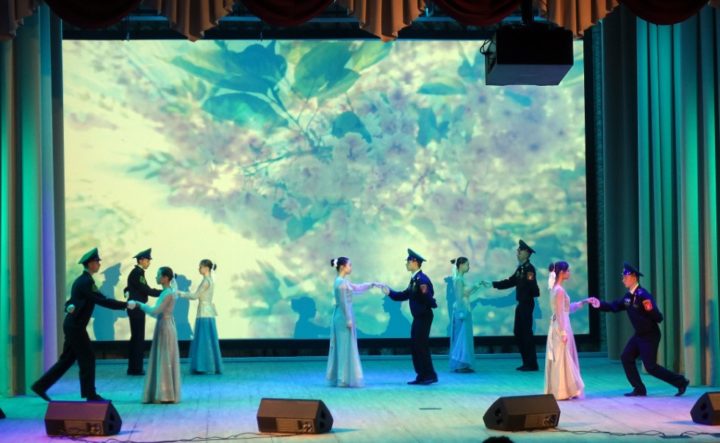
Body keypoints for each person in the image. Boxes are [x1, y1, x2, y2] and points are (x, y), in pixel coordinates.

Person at [31, 248, 135, 401]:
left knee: (67, 360)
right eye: (97, 262)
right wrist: (125, 305)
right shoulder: (86, 282)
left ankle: (40, 386)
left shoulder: (81, 280)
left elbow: (70, 302)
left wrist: (68, 307)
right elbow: (102, 300)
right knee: (87, 358)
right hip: (76, 327)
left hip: (73, 325)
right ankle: (90, 394)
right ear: (91, 264)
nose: (99, 264)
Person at [588, 263, 690, 397]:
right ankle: (639, 389)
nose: (623, 280)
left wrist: (655, 316)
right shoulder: (628, 297)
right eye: (623, 277)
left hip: (650, 335)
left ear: (634, 277)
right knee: (626, 357)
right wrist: (599, 304)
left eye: (625, 277)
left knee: (651, 367)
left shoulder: (643, 295)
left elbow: (655, 314)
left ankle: (681, 382)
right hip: (640, 335)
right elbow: (615, 306)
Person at [481, 240, 540, 371]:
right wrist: (492, 284)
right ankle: (526, 362)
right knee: (518, 332)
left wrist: (531, 293)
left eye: (520, 251)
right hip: (521, 304)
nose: (517, 252)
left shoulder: (529, 269)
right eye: (518, 250)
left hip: (526, 304)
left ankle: (531, 364)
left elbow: (533, 287)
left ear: (527, 253)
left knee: (526, 334)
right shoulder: (520, 268)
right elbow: (510, 282)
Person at [382, 249, 438, 385]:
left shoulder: (421, 279)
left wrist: (433, 304)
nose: (406, 264)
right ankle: (423, 374)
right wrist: (389, 292)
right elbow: (404, 295)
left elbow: (427, 296)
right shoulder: (414, 279)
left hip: (423, 316)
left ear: (415, 262)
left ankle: (428, 375)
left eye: (408, 261)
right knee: (416, 346)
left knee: (421, 346)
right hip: (419, 317)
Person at [326, 257, 379, 387]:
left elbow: (357, 288)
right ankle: (342, 378)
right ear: (342, 267)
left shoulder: (344, 281)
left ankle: (344, 377)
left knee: (346, 346)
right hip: (343, 317)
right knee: (344, 347)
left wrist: (371, 284)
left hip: (345, 315)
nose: (351, 267)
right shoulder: (340, 283)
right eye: (349, 265)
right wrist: (348, 319)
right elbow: (343, 303)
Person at [544, 261, 591, 400]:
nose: (569, 273)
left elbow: (566, 309)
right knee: (561, 358)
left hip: (559, 324)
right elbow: (560, 313)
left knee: (562, 357)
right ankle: (562, 391)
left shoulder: (555, 289)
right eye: (568, 271)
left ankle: (566, 390)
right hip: (561, 326)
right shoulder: (559, 290)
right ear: (561, 273)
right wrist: (563, 332)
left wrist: (583, 302)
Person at [136, 266, 181, 403]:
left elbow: (155, 311)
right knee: (164, 358)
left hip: (165, 327)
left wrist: (139, 304)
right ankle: (164, 393)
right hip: (165, 325)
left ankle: (165, 394)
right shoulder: (168, 292)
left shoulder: (167, 293)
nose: (156, 277)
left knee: (164, 358)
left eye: (158, 275)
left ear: (165, 278)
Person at [178, 259, 223, 374]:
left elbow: (194, 296)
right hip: (206, 311)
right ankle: (207, 365)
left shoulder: (206, 281)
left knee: (204, 339)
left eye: (200, 267)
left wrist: (180, 293)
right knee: (207, 339)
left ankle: (204, 366)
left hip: (204, 313)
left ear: (206, 268)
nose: (199, 269)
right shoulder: (209, 279)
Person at [125, 248, 162, 376]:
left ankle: (134, 367)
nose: (149, 263)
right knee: (138, 338)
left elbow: (131, 288)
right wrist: (163, 291)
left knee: (136, 337)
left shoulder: (137, 272)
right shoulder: (138, 273)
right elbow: (146, 290)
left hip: (136, 308)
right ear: (141, 260)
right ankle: (136, 368)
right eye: (147, 260)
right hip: (137, 309)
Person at [449, 257, 482, 373]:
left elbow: (465, 293)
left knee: (464, 337)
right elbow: (459, 297)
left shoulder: (459, 278)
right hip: (462, 310)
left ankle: (463, 363)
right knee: (461, 337)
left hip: (464, 309)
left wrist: (476, 286)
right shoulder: (459, 279)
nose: (469, 267)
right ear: (461, 265)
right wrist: (461, 312)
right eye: (467, 264)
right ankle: (460, 364)